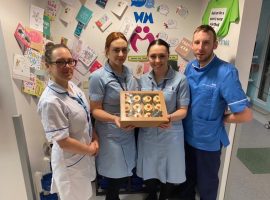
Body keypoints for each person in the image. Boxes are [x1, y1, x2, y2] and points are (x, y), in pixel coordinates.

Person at [181, 25, 253, 200]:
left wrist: (223, 118)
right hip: (185, 137)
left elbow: (245, 114)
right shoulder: (190, 67)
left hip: (208, 143)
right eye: (196, 42)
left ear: (215, 45)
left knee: (207, 187)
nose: (200, 48)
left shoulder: (226, 72)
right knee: (187, 182)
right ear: (191, 45)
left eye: (206, 43)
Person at [37, 43, 99, 200]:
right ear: (48, 66)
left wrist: (95, 136)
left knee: (84, 195)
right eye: (60, 62)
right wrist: (90, 150)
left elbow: (84, 117)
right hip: (70, 163)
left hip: (81, 156)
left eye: (70, 61)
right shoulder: (50, 101)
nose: (67, 66)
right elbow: (63, 141)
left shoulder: (72, 86)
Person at [136, 39, 190, 200]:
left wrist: (168, 118)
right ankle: (152, 195)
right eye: (153, 56)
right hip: (148, 135)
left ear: (168, 56)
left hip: (171, 134)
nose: (157, 61)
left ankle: (164, 197)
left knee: (170, 170)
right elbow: (138, 107)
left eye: (162, 56)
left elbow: (183, 111)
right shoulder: (142, 80)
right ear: (147, 57)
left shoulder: (181, 80)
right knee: (149, 168)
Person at [89, 32, 139, 200]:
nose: (120, 55)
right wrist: (114, 119)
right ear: (106, 51)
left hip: (128, 131)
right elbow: (95, 109)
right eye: (116, 50)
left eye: (124, 50)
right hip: (110, 133)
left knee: (124, 171)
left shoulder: (129, 73)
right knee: (114, 175)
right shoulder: (98, 77)